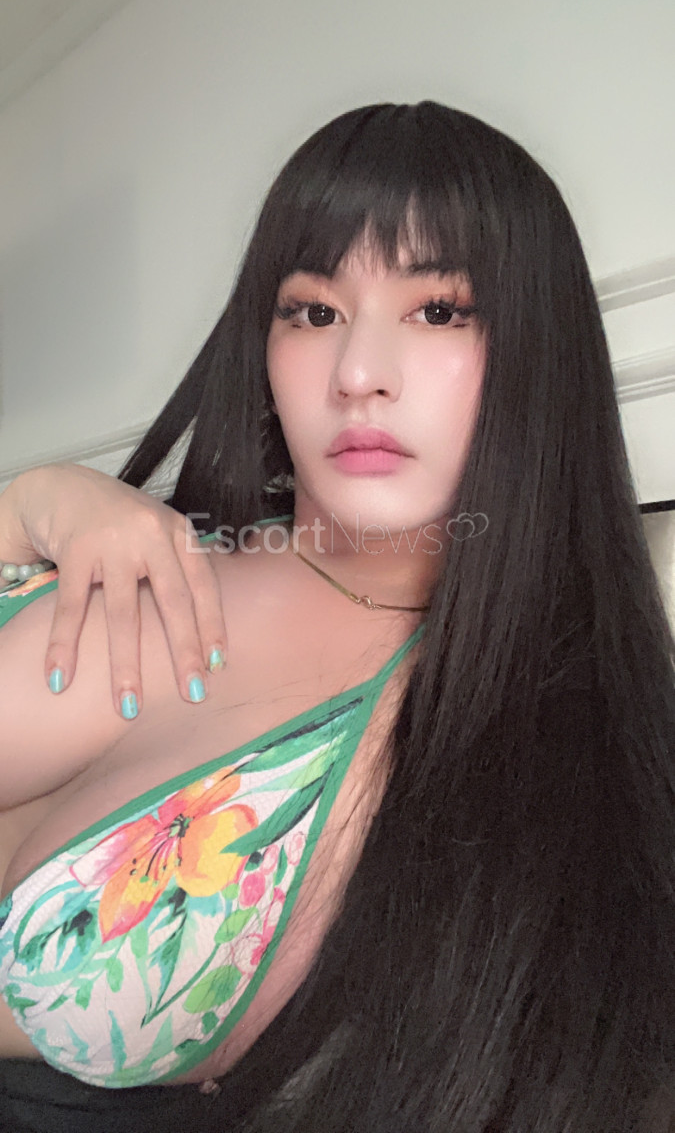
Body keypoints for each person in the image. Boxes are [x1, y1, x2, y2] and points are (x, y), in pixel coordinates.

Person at [0, 100, 674, 1133]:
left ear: (540, 346)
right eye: (312, 312)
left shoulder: (542, 774)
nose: (358, 374)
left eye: (439, 309)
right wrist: (25, 504)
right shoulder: (138, 548)